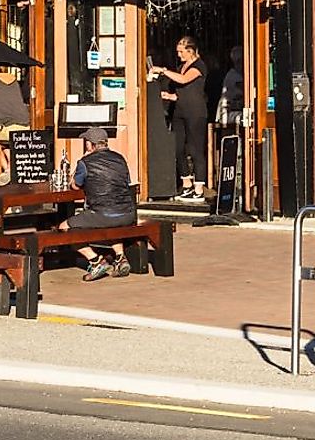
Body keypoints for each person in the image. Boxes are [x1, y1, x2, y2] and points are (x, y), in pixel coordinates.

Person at [66, 126, 139, 280]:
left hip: (102, 213)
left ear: (89, 144)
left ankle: (95, 261)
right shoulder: (120, 158)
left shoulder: (85, 162)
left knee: (64, 229)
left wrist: (81, 162)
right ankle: (120, 257)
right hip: (127, 213)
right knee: (111, 225)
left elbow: (74, 185)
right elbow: (127, 182)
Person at [148, 35, 210, 202]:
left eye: (181, 52)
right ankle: (187, 183)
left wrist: (163, 70)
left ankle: (199, 187)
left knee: (196, 149)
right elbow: (184, 90)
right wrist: (170, 96)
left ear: (190, 51)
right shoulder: (182, 66)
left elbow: (184, 80)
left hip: (195, 112)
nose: (179, 55)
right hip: (180, 111)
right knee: (178, 148)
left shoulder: (199, 66)